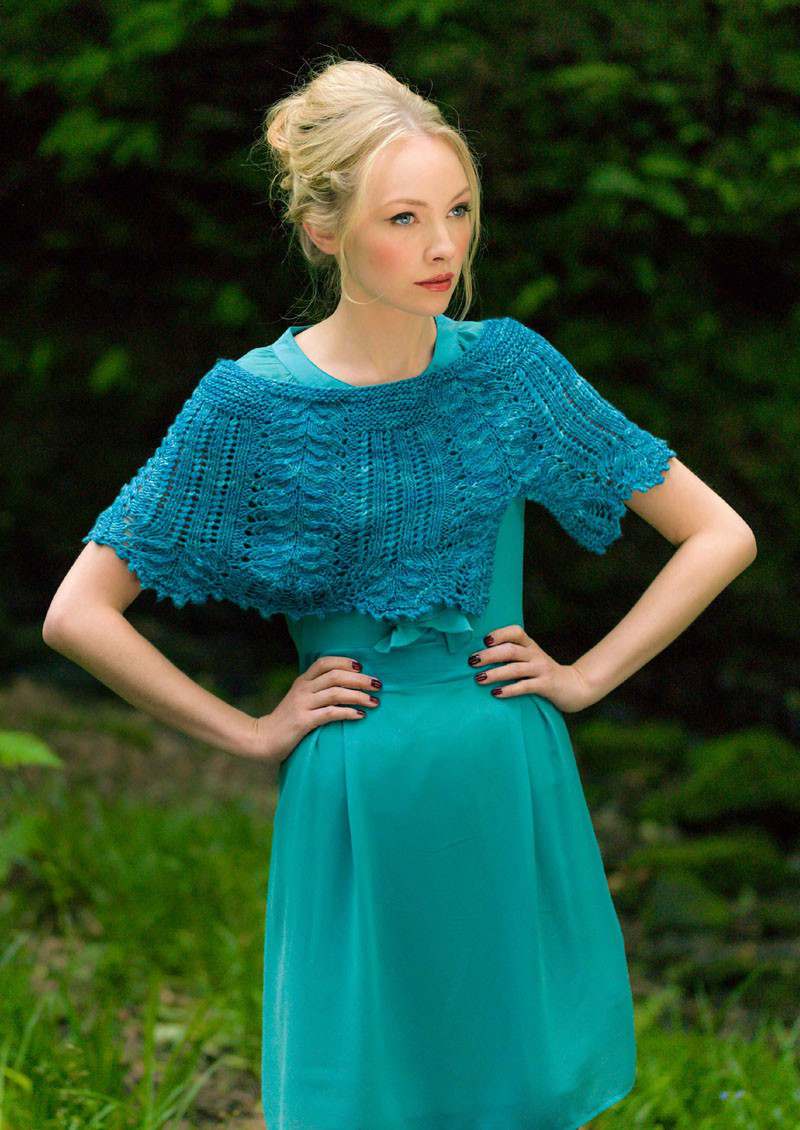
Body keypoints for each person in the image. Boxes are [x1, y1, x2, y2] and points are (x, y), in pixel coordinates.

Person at [43, 56, 757, 1130]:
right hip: (358, 787)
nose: (441, 247)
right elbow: (77, 613)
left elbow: (718, 533)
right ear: (323, 229)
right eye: (404, 218)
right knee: (362, 1092)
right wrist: (249, 730)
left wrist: (586, 675)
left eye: (457, 211)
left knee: (518, 1091)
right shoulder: (246, 406)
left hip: (505, 766)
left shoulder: (508, 370)